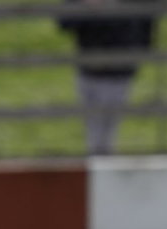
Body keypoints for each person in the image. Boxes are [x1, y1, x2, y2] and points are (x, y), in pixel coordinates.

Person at [57, 0, 158, 155]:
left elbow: (146, 19)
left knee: (103, 133)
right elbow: (64, 22)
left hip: (118, 69)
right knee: (97, 133)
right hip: (90, 67)